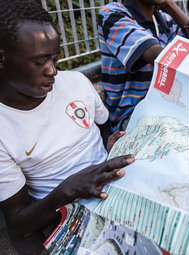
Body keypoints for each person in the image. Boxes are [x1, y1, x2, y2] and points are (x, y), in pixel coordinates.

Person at [0, 1, 135, 254]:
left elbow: (103, 127)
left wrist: (110, 145)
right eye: (40, 62)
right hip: (64, 211)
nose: (52, 71)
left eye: (55, 58)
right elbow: (18, 221)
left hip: (117, 186)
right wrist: (68, 190)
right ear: (2, 58)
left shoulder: (76, 83)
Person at [98, 0, 189, 131]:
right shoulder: (112, 14)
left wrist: (171, 7)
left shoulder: (165, 19)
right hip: (133, 116)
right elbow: (156, 55)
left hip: (169, 107)